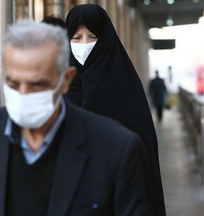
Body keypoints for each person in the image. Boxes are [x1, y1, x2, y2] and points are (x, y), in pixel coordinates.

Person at [0, 19, 152, 215]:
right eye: (13, 84)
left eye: (37, 84)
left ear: (66, 80)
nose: (23, 95)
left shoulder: (117, 149)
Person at [65, 4, 166, 215]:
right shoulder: (59, 86)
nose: (84, 44)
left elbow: (142, 147)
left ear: (105, 40)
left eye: (92, 37)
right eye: (76, 38)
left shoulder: (123, 84)